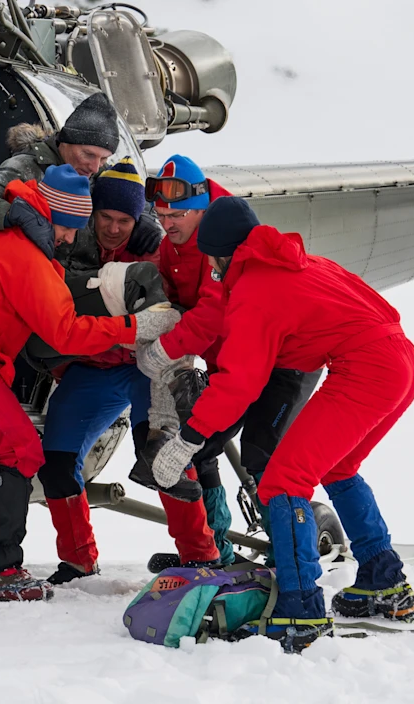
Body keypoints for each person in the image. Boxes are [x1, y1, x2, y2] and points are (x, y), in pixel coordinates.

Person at [145, 197, 414, 652]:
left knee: (283, 481)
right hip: (401, 359)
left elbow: (240, 383)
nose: (211, 268)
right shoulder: (299, 263)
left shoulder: (256, 291)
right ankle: (383, 580)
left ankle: (301, 610)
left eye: (211, 259)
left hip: (366, 369)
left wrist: (190, 437)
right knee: (337, 468)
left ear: (221, 254)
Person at [0, 165, 180, 602]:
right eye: (69, 227)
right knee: (19, 451)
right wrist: (134, 326)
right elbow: (65, 332)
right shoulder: (22, 252)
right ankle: (1, 571)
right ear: (52, 215)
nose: (72, 238)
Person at [37, 159, 219, 585]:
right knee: (57, 463)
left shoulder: (157, 249)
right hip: (92, 368)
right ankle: (78, 560)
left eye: (124, 220)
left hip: (143, 367)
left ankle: (200, 555)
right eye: (106, 217)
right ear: (92, 211)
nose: (114, 228)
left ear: (138, 219)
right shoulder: (67, 236)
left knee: (161, 452)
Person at [136, 155, 319, 569]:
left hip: (281, 366)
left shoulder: (224, 243)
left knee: (263, 460)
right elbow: (168, 298)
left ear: (201, 206)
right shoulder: (172, 246)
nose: (168, 223)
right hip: (233, 366)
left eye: (178, 214)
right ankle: (216, 554)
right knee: (200, 452)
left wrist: (165, 349)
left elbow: (212, 313)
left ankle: (296, 562)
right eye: (162, 215)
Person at [0, 94, 160, 261]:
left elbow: (126, 193)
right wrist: (14, 213)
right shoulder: (27, 167)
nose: (95, 166)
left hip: (79, 277)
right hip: (38, 280)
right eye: (88, 154)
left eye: (103, 159)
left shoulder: (95, 171)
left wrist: (143, 217)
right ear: (65, 142)